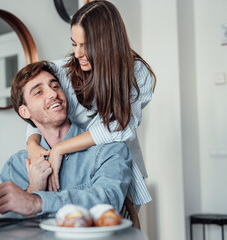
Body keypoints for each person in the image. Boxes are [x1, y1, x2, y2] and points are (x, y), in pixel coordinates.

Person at [26, 0, 156, 205]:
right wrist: (32, 144)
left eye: (86, 46)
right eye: (74, 43)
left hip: (113, 170)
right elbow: (37, 108)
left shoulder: (137, 74)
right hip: (70, 175)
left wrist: (60, 149)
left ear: (107, 43)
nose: (77, 53)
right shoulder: (63, 71)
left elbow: (119, 127)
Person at [0, 61, 131, 216]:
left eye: (55, 86)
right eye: (38, 92)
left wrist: (37, 201)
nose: (53, 94)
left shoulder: (108, 150)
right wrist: (33, 189)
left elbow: (108, 202)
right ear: (25, 111)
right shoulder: (16, 166)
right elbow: (10, 227)